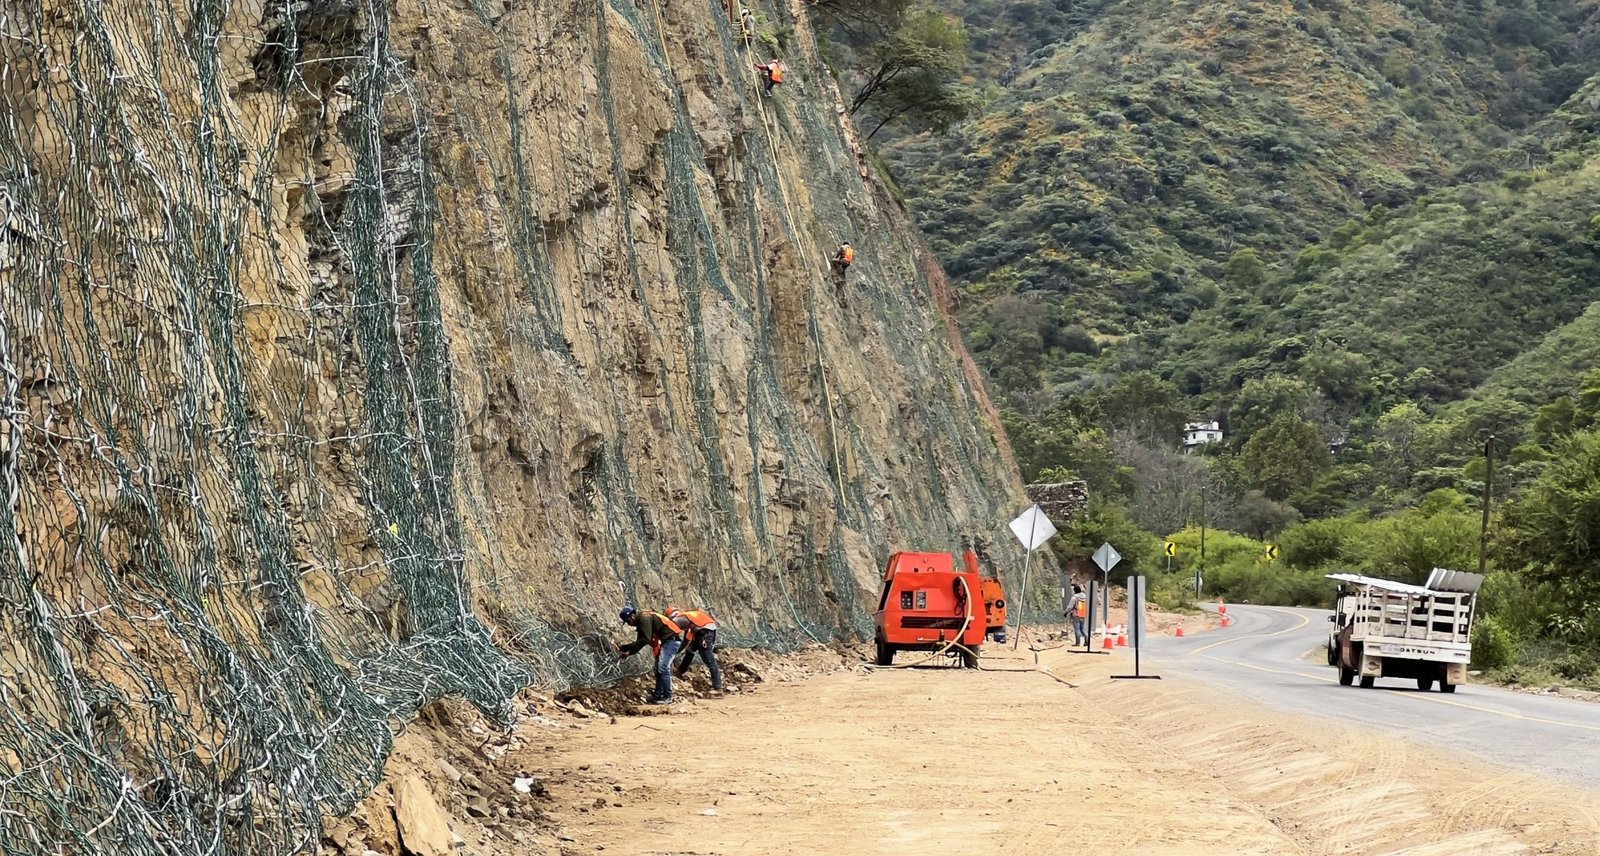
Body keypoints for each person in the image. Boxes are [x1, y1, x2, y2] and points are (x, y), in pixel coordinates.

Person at [616, 606, 685, 704]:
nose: (629, 624)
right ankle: (658, 694)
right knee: (658, 669)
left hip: (671, 641)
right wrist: (625, 648)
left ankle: (667, 696)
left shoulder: (644, 619)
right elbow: (640, 641)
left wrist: (628, 652)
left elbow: (645, 640)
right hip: (667, 641)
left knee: (663, 668)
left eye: (628, 621)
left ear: (632, 616)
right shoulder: (642, 620)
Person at [667, 605, 724, 692]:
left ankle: (718, 686)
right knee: (690, 650)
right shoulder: (688, 618)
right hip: (705, 631)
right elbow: (686, 641)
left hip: (704, 632)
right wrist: (676, 652)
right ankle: (680, 672)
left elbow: (671, 632)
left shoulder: (678, 619)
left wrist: (671, 652)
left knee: (708, 657)